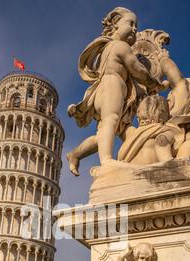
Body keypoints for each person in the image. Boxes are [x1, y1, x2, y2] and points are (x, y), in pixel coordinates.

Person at [67, 7, 161, 176]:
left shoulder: (109, 46)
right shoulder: (119, 46)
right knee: (111, 120)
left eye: (136, 26)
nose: (134, 29)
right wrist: (153, 82)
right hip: (112, 86)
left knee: (105, 132)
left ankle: (75, 154)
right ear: (116, 23)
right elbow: (136, 69)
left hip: (111, 88)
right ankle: (106, 161)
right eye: (130, 23)